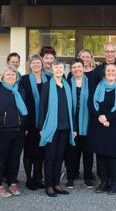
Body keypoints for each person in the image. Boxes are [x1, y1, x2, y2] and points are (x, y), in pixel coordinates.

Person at [87, 63, 116, 195]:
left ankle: (113, 184)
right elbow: (90, 103)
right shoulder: (96, 87)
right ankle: (104, 182)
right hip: (98, 125)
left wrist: (108, 118)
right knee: (100, 155)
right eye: (108, 71)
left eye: (113, 71)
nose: (110, 73)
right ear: (104, 73)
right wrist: (100, 117)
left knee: (114, 156)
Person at [38, 59, 77, 197]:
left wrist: (74, 128)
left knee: (60, 157)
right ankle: (48, 186)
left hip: (65, 127)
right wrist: (41, 127)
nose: (59, 70)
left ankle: (56, 184)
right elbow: (41, 107)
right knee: (50, 157)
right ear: (52, 69)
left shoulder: (66, 85)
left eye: (61, 68)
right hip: (51, 127)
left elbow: (71, 108)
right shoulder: (47, 86)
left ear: (63, 69)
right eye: (57, 68)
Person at [0, 65, 27, 198]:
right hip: (2, 131)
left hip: (18, 131)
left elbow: (25, 110)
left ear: (17, 77)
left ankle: (12, 183)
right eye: (8, 74)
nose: (11, 76)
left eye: (13, 74)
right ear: (2, 77)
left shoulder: (20, 90)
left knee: (15, 159)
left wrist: (25, 126)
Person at [20, 54, 49, 190]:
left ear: (42, 64)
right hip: (29, 122)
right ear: (29, 65)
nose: (36, 65)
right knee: (29, 152)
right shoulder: (24, 80)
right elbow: (21, 102)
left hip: (44, 121)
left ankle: (38, 178)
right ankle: (29, 179)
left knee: (41, 152)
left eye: (38, 62)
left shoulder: (48, 79)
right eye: (33, 63)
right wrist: (24, 123)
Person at [65, 58, 95, 189]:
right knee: (72, 152)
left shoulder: (92, 83)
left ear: (84, 68)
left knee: (88, 152)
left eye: (79, 67)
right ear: (71, 70)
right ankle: (71, 177)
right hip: (72, 121)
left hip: (88, 121)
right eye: (74, 67)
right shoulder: (66, 83)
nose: (77, 69)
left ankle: (88, 178)